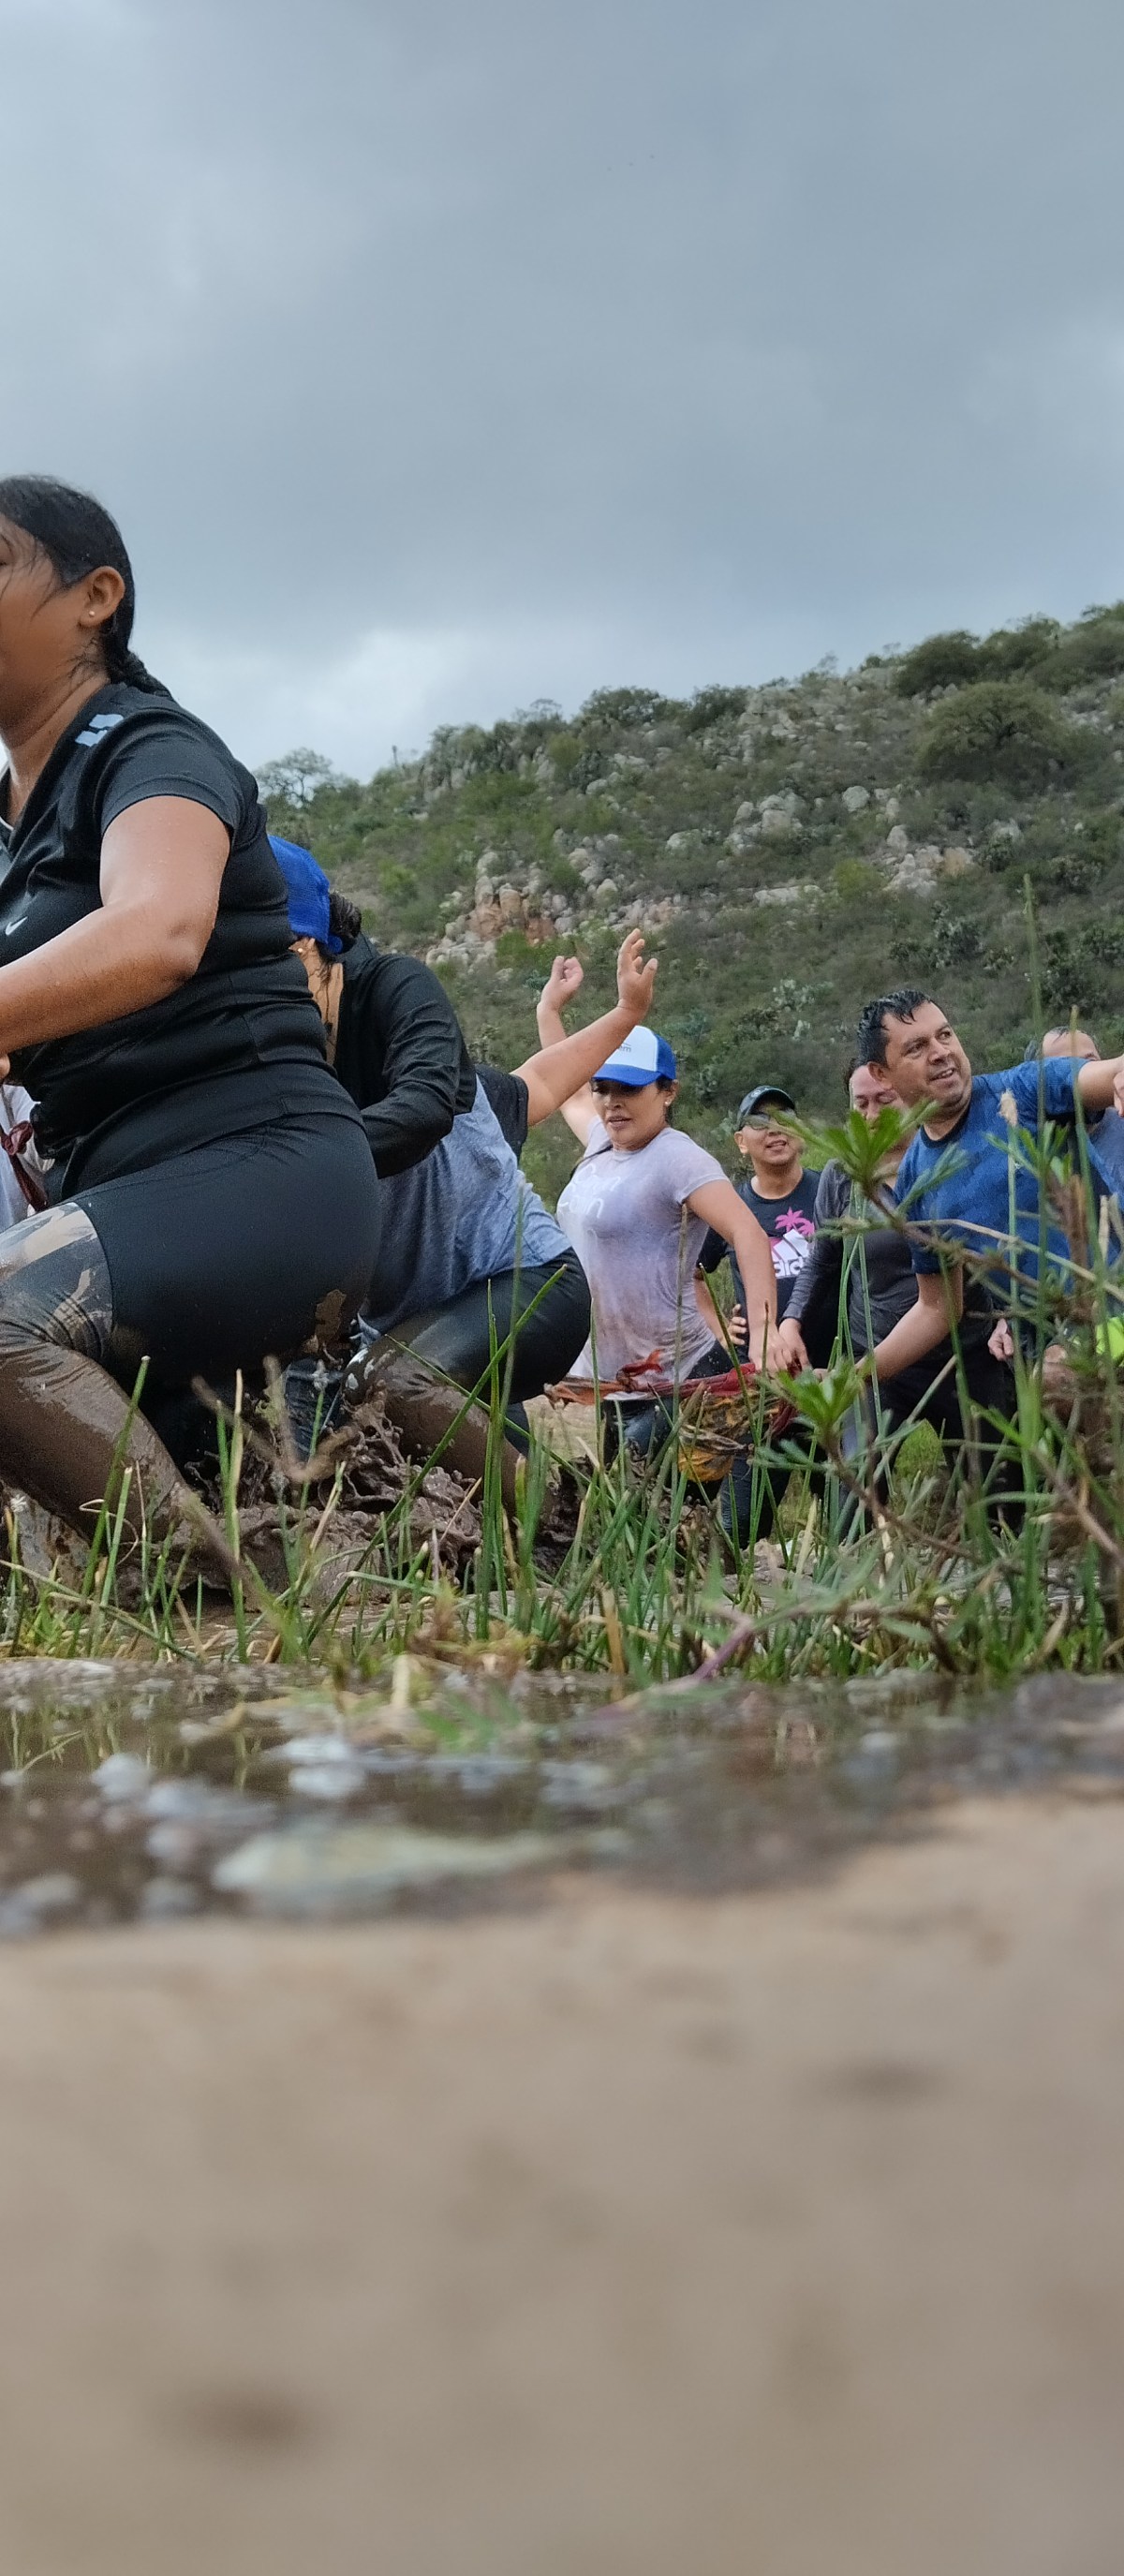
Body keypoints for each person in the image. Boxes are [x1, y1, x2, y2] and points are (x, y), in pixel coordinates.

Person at [0, 476, 381, 1567]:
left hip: (261, 1176)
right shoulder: (11, 833)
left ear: (95, 597)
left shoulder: (150, 747)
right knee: (65, 1560)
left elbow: (160, 928)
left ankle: (222, 1600)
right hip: (125, 1208)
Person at [273, 844, 662, 1431]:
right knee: (468, 1499)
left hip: (526, 1288)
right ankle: (553, 1515)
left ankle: (551, 1506)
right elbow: (540, 1083)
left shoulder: (404, 1020)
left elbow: (501, 1092)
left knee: (386, 1385)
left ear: (315, 947)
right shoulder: (282, 1071)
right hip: (420, 1337)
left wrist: (626, 1015)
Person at [551, 1024, 776, 1536]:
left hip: (683, 1378)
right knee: (639, 1538)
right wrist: (551, 1010)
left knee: (651, 1524)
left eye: (629, 1089)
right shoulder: (598, 1145)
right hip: (613, 1383)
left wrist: (762, 1333)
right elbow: (562, 1083)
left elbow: (749, 1234)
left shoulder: (678, 1158)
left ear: (668, 1092)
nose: (613, 1103)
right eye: (603, 1088)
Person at [856, 989, 1124, 1415]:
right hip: (1047, 1340)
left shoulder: (1021, 1091)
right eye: (917, 1047)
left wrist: (1118, 1074)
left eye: (945, 1035)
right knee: (1054, 1397)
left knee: (1056, 1382)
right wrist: (853, 1378)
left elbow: (1099, 1075)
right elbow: (938, 1308)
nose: (941, 1053)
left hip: (1113, 1303)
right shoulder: (916, 1181)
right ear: (882, 1074)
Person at [700, 1084, 818, 1334]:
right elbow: (691, 1274)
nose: (775, 1129)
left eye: (784, 1118)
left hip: (836, 1358)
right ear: (741, 1142)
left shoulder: (831, 1191)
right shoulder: (730, 1206)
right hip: (762, 1362)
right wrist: (720, 1330)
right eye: (759, 1121)